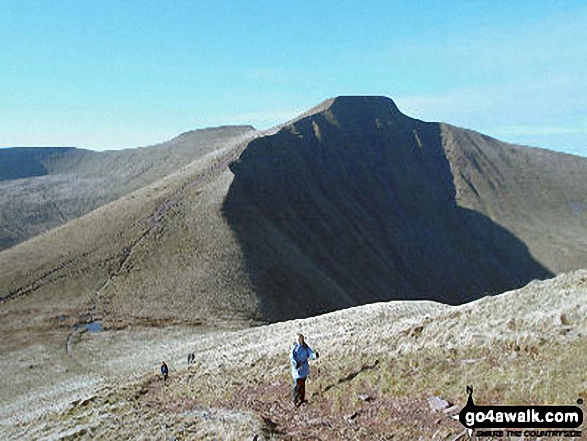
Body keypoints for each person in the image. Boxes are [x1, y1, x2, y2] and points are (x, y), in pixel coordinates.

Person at [290, 333, 319, 407]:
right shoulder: (294, 348)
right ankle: (295, 401)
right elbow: (292, 358)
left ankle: (302, 399)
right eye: (298, 339)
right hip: (297, 370)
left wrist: (314, 356)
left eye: (300, 339)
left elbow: (310, 353)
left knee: (303, 385)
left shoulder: (305, 347)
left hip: (304, 368)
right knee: (297, 386)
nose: (299, 340)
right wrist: (296, 364)